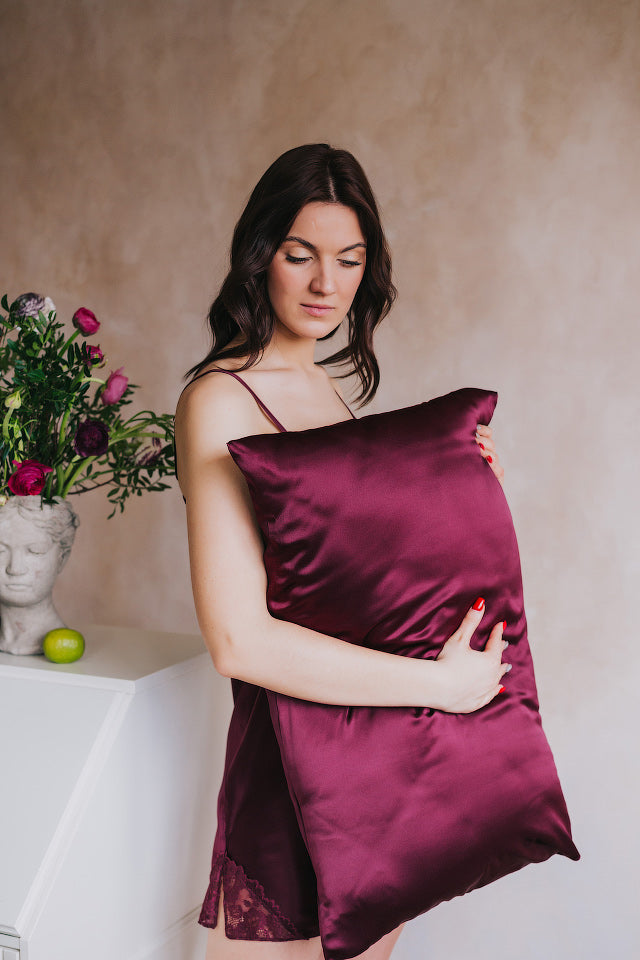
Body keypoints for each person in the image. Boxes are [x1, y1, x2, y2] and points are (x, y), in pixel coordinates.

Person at [173, 143, 509, 960]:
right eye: (301, 255)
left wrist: (455, 482)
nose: (328, 284)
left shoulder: (332, 395)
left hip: (378, 761)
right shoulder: (221, 400)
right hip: (291, 767)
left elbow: (359, 583)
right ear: (259, 258)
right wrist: (442, 686)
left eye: (350, 259)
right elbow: (237, 641)